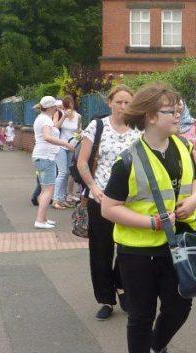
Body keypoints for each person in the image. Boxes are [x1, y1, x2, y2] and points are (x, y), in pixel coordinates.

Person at [99, 85, 196, 353]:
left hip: (180, 244)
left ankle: (158, 347)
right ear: (151, 116)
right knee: (140, 315)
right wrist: (152, 223)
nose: (178, 116)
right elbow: (108, 208)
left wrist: (194, 200)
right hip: (138, 251)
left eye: (178, 109)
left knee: (180, 306)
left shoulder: (184, 147)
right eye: (172, 111)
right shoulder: (127, 160)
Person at [77, 85, 141, 319]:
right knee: (101, 250)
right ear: (110, 102)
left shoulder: (139, 129)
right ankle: (106, 299)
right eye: (119, 102)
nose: (123, 106)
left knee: (128, 248)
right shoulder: (97, 126)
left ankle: (121, 286)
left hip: (130, 201)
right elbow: (82, 162)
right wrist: (93, 187)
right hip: (102, 198)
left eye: (127, 102)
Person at [32, 96, 74, 229]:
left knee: (44, 190)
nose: (57, 108)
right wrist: (65, 144)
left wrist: (63, 117)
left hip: (41, 156)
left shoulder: (43, 118)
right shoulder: (45, 120)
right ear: (50, 107)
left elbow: (52, 130)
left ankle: (43, 218)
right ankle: (40, 220)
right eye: (55, 106)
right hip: (46, 157)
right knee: (48, 191)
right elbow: (47, 137)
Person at [53, 95, 81, 209]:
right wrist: (64, 116)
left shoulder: (78, 116)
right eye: (66, 106)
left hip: (72, 146)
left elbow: (79, 130)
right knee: (62, 172)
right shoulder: (59, 113)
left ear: (73, 104)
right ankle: (55, 199)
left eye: (71, 105)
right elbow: (55, 127)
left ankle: (62, 198)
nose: (69, 108)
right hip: (61, 145)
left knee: (68, 173)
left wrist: (78, 136)